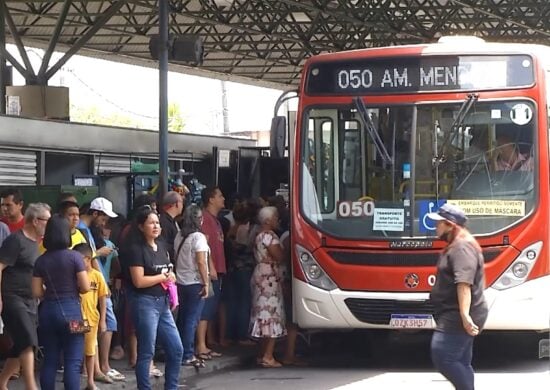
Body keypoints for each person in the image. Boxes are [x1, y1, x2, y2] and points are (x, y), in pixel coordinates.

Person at [426, 203, 488, 390]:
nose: (435, 227)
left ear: (450, 225)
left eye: (439, 223)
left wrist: (465, 315)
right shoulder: (457, 244)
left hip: (457, 313)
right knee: (460, 360)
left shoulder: (462, 247)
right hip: (455, 311)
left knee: (443, 355)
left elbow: (464, 283)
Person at [127, 206, 183, 389]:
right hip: (145, 303)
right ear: (141, 226)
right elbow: (139, 281)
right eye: (151, 223)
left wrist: (171, 277)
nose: (155, 226)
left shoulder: (162, 248)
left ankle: (171, 387)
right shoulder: (136, 249)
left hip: (163, 303)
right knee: (146, 351)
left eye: (157, 222)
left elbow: (169, 269)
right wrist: (163, 277)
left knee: (176, 349)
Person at [31, 214, 90, 390]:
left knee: (50, 360)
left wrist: (48, 295)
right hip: (73, 311)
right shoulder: (75, 257)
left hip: (48, 312)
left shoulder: (41, 260)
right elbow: (86, 287)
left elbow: (36, 291)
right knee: (73, 362)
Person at [0, 203, 51, 390]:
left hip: (30, 299)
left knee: (20, 343)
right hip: (12, 297)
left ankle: (2, 382)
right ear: (36, 221)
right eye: (47, 220)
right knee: (29, 340)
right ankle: (31, 386)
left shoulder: (36, 244)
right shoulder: (16, 240)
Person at [249, 206, 286, 368]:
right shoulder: (270, 237)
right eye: (275, 217)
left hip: (259, 274)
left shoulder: (257, 236)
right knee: (272, 312)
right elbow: (279, 256)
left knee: (261, 313)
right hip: (269, 277)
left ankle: (261, 353)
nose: (278, 220)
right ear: (267, 220)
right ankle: (268, 355)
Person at [174, 204, 210, 368]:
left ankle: (179, 351)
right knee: (191, 319)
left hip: (180, 282)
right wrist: (206, 282)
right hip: (195, 282)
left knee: (182, 319)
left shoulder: (179, 236)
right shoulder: (198, 237)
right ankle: (187, 354)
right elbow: (201, 261)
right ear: (199, 219)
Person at [73, 243, 109, 390]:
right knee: (75, 349)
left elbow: (103, 299)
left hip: (91, 318)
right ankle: (74, 378)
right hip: (77, 317)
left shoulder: (97, 275)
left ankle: (90, 382)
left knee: (90, 351)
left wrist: (103, 321)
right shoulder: (73, 275)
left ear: (88, 259)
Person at [196, 186, 226, 360]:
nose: (223, 198)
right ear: (211, 199)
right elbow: (204, 247)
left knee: (211, 308)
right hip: (210, 271)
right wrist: (211, 266)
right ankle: (201, 345)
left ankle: (207, 342)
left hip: (218, 269)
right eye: (220, 195)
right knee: (205, 309)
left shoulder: (215, 220)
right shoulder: (205, 220)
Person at [159, 191, 184, 263]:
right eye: (181, 202)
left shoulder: (173, 221)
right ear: (176, 204)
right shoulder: (163, 222)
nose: (183, 206)